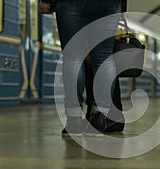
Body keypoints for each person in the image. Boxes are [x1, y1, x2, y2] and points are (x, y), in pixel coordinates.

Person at [39, 0, 125, 136]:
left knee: (73, 57)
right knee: (103, 56)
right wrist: (122, 5)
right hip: (109, 4)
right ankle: (99, 118)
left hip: (72, 4)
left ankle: (74, 119)